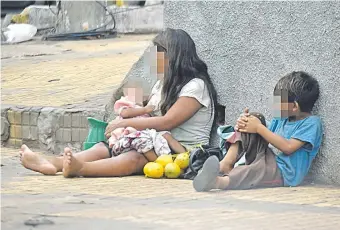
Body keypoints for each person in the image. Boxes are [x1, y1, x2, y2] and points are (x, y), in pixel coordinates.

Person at [19, 28, 218, 178]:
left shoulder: (196, 86)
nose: (154, 59)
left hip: (183, 152)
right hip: (157, 143)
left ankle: (81, 168)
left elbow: (167, 122)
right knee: (105, 147)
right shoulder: (164, 84)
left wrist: (124, 124)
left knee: (135, 157)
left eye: (159, 53)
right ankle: (51, 163)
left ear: (175, 57)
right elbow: (150, 110)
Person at [193, 71, 323, 192]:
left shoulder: (311, 123)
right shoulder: (282, 119)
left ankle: (218, 182)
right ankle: (226, 163)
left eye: (279, 101)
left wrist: (258, 128)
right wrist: (247, 124)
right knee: (254, 118)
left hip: (284, 173)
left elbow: (288, 147)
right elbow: (265, 135)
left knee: (253, 172)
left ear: (294, 106)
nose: (275, 105)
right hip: (267, 158)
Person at [108, 81, 186, 156]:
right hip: (131, 134)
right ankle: (159, 162)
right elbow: (124, 113)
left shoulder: (142, 107)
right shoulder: (126, 103)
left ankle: (186, 155)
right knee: (145, 145)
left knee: (166, 135)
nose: (139, 92)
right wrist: (145, 110)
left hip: (147, 133)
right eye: (133, 91)